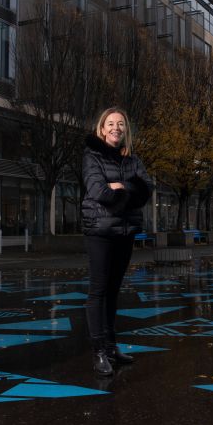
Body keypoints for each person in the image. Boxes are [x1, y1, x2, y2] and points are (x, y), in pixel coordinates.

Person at [82, 107, 153, 376]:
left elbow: (146, 190)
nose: (116, 128)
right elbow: (98, 191)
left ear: (126, 130)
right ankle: (99, 351)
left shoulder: (133, 160)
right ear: (102, 129)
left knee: (113, 291)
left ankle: (111, 347)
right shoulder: (92, 156)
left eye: (120, 124)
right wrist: (126, 191)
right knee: (98, 291)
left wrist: (120, 187)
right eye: (110, 123)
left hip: (125, 231)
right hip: (100, 231)